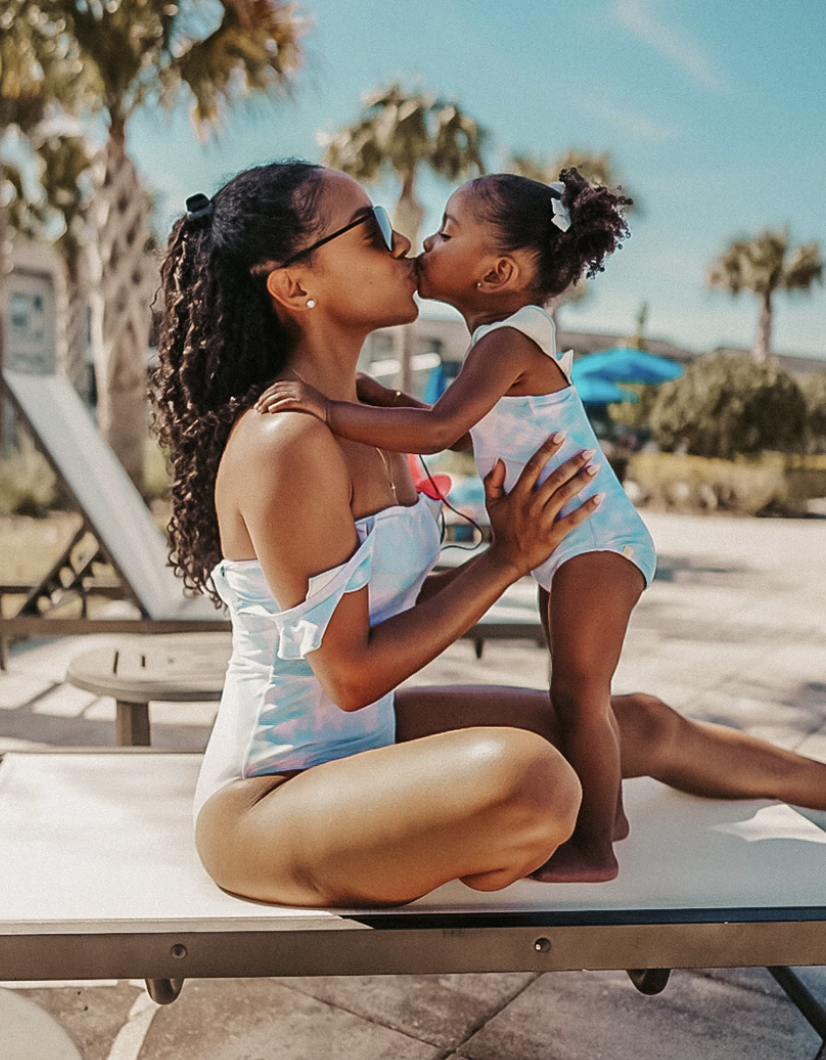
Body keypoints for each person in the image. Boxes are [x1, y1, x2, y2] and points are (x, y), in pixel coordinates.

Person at [151, 160, 826, 910]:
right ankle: (521, 836)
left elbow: (381, 604)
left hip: (364, 741)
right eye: (373, 230)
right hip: (270, 794)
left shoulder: (375, 422)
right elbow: (348, 676)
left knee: (629, 721)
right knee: (534, 780)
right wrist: (507, 560)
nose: (405, 239)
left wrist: (519, 550)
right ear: (296, 285)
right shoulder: (289, 443)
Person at [254, 169, 651, 882]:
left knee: (578, 695)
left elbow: (440, 430)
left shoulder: (505, 343)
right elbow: (471, 432)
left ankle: (596, 846)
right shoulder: (504, 340)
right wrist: (372, 396)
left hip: (593, 543)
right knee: (574, 692)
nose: (423, 245)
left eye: (444, 233)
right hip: (571, 539)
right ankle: (608, 812)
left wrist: (329, 406)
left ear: (496, 271)